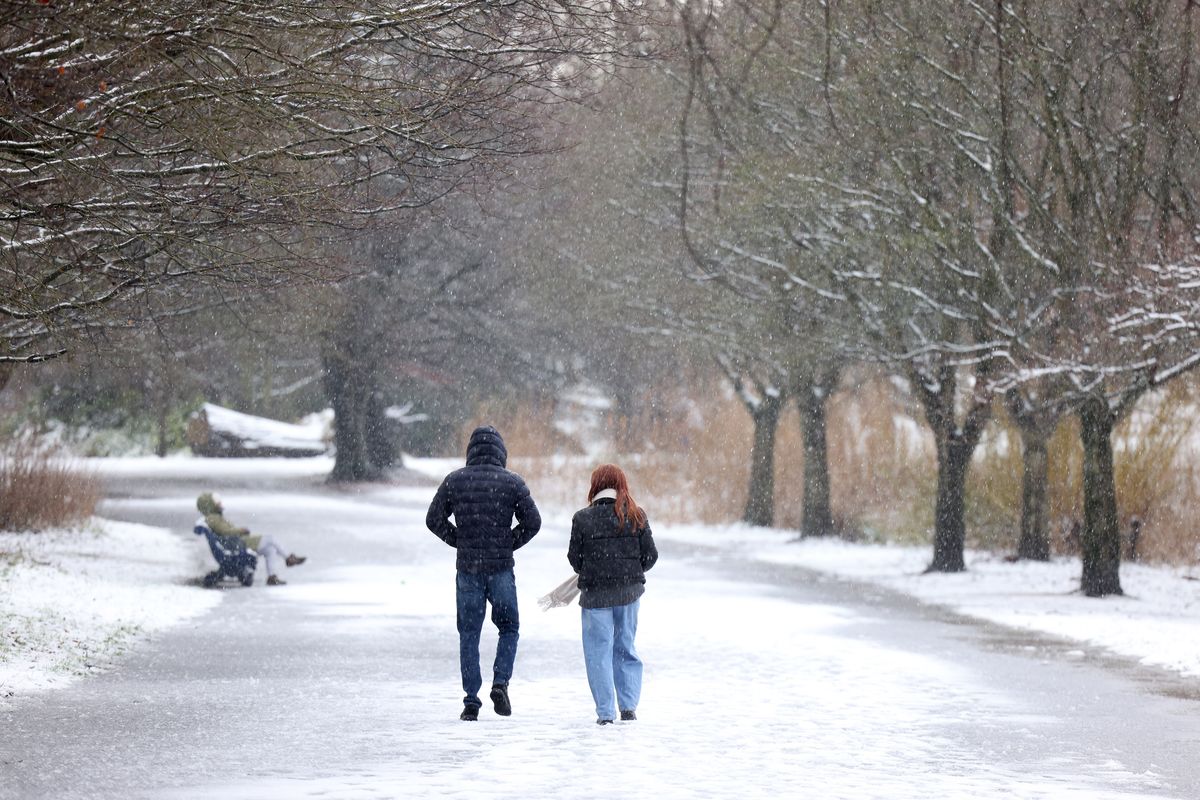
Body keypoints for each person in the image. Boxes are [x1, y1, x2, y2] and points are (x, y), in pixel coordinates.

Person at [426, 425, 542, 721]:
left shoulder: (455, 481)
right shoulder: (512, 483)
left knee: (469, 634)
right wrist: (507, 544)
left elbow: (433, 519)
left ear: (471, 451)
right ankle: (500, 683)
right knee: (509, 628)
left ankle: (471, 700)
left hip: (468, 570)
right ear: (501, 452)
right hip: (501, 569)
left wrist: (459, 540)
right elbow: (533, 522)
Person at [568, 464, 658, 725]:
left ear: (595, 486)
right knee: (625, 647)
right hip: (629, 593)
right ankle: (628, 707)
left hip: (595, 596)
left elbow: (575, 560)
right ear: (622, 485)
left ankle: (606, 713)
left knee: (598, 652)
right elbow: (650, 556)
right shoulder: (636, 515)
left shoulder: (582, 518)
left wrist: (596, 570)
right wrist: (629, 571)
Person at [196, 492, 306, 586]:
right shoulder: (213, 518)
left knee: (270, 550)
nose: (220, 504)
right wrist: (240, 531)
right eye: (217, 502)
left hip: (235, 543)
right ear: (211, 505)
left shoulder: (215, 517)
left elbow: (224, 531)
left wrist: (238, 531)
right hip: (235, 544)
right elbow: (224, 532)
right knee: (270, 539)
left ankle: (272, 577)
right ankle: (288, 558)